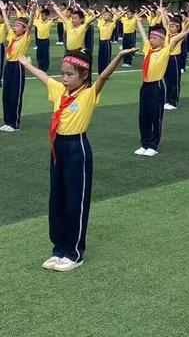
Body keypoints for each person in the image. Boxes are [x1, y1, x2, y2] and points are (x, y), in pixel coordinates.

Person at [18, 46, 137, 272]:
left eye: (70, 74)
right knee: (58, 200)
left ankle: (75, 253)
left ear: (83, 75)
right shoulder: (59, 91)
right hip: (57, 147)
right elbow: (44, 77)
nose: (64, 78)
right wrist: (26, 64)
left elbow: (103, 76)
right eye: (62, 73)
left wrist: (119, 57)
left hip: (77, 148)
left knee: (76, 201)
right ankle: (59, 249)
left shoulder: (89, 94)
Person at [134, 16, 189, 157]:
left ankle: (153, 145)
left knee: (156, 116)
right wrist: (138, 21)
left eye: (155, 37)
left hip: (157, 87)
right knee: (143, 116)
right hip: (145, 86)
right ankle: (144, 143)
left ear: (162, 39)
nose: (151, 39)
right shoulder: (148, 49)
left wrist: (188, 30)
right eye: (151, 37)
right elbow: (142, 34)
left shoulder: (165, 51)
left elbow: (174, 39)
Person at [0, 1, 35, 131]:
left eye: (18, 26)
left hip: (17, 67)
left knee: (15, 94)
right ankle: (7, 122)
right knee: (6, 95)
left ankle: (14, 124)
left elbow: (30, 25)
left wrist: (32, 13)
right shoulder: (12, 36)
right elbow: (7, 24)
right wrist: (3, 10)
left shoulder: (25, 38)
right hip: (8, 67)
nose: (15, 27)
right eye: (15, 25)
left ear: (24, 29)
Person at [33, 8, 57, 72]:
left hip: (45, 41)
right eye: (41, 15)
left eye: (43, 15)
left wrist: (58, 14)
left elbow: (55, 18)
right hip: (39, 41)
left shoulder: (49, 22)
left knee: (45, 54)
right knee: (39, 54)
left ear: (47, 16)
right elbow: (32, 19)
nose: (42, 17)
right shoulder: (38, 22)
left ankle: (45, 68)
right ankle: (40, 66)